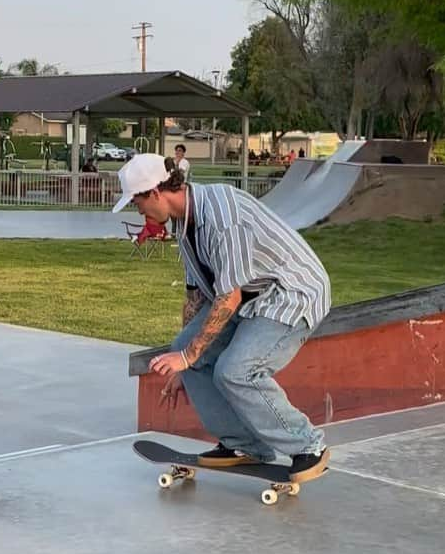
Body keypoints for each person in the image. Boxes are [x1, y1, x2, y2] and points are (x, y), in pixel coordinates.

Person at [112, 153, 331, 483]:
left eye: (137, 202)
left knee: (237, 370)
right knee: (186, 346)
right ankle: (244, 445)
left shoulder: (222, 217)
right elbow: (195, 296)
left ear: (156, 193)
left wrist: (188, 357)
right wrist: (185, 361)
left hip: (290, 293)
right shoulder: (185, 224)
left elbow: (230, 297)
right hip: (249, 296)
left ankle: (309, 446)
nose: (139, 211)